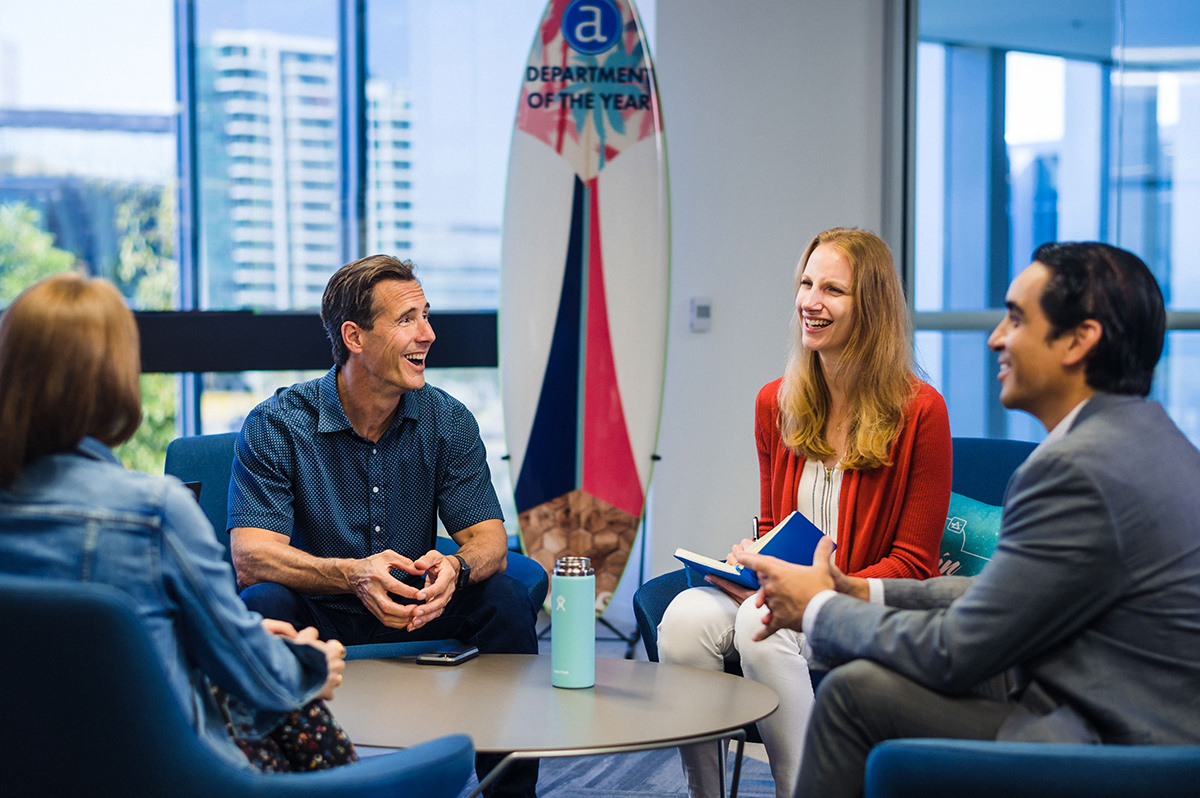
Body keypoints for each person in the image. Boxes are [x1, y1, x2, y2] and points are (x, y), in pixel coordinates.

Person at [740, 241, 1200, 798]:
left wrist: (819, 608)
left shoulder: (1073, 471)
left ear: (1080, 340)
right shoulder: (1150, 441)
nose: (996, 338)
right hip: (1137, 721)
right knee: (861, 689)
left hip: (1116, 751)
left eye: (1016, 319)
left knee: (853, 696)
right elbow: (996, 596)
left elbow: (956, 651)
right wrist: (860, 592)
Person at [0, 273, 351, 772]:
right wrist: (313, 666)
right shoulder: (151, 513)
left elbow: (57, 647)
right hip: (155, 772)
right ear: (114, 377)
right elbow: (264, 682)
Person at [227, 254, 538, 797]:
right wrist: (352, 574)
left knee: (505, 600)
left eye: (426, 315)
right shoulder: (278, 423)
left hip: (415, 608)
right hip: (318, 608)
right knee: (263, 605)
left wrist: (457, 570)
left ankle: (511, 793)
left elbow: (489, 540)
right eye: (407, 320)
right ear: (354, 337)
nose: (428, 334)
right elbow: (252, 556)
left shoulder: (447, 419)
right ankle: (282, 788)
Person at [656, 227, 952, 798]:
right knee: (684, 619)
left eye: (832, 290)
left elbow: (914, 565)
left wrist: (813, 590)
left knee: (757, 624)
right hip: (790, 591)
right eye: (806, 283)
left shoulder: (921, 413)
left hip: (861, 606)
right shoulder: (776, 402)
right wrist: (756, 561)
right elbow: (774, 527)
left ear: (871, 308)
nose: (810, 302)